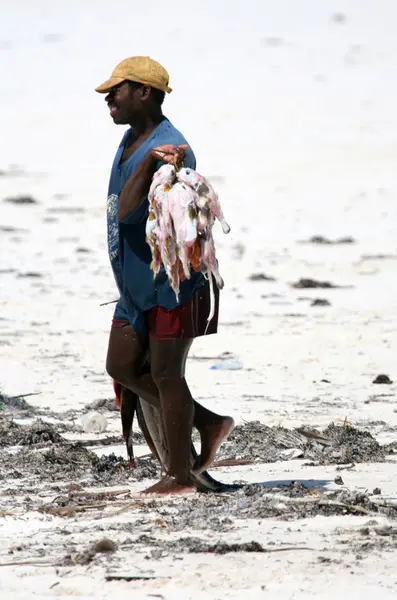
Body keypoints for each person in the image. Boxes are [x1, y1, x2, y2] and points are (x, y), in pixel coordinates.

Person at [95, 56, 233, 495]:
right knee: (120, 365)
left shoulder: (174, 149)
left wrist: (148, 167)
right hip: (134, 286)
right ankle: (209, 423)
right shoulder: (135, 139)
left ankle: (179, 476)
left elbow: (132, 213)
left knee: (167, 375)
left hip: (171, 286)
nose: (108, 98)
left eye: (117, 90)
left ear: (145, 92)